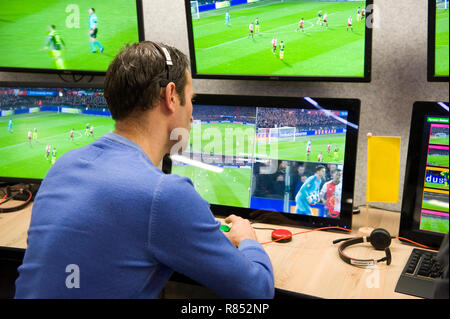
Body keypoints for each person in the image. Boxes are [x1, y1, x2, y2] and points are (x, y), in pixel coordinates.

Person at [14, 41, 274, 299]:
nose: (192, 116)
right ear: (171, 96)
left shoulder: (62, 166)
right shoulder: (165, 194)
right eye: (191, 100)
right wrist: (247, 239)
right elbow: (258, 292)